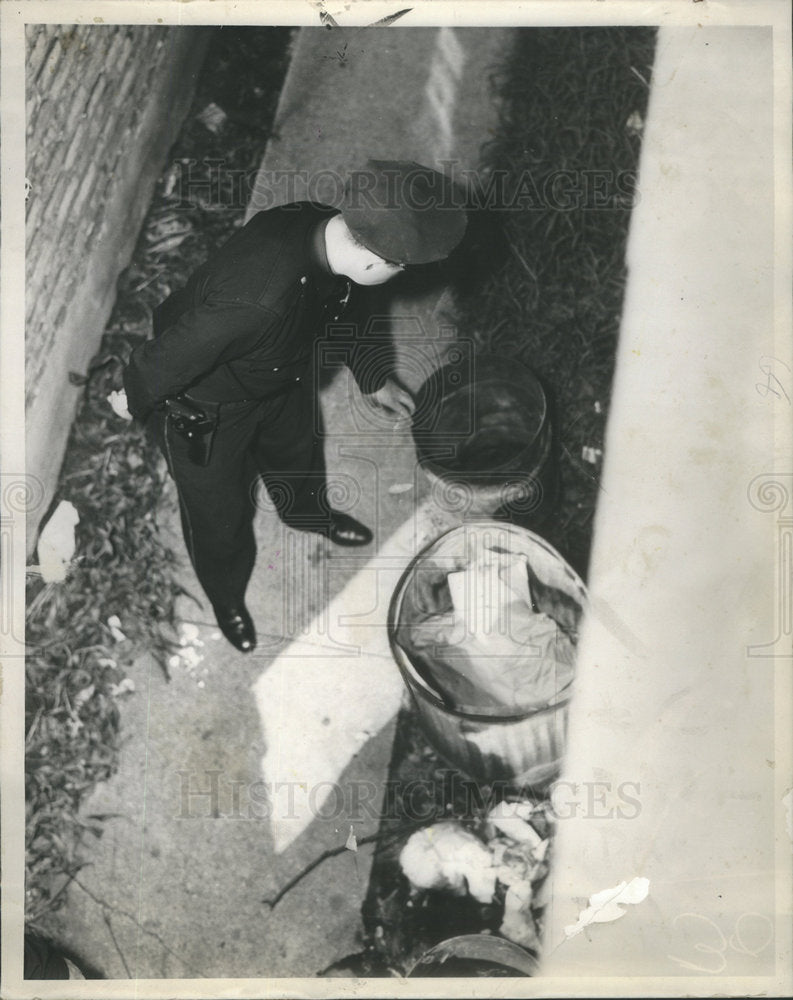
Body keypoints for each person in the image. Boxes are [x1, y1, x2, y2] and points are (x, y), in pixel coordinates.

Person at [116, 159, 467, 653]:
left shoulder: (333, 234)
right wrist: (129, 399)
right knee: (218, 515)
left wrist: (371, 377)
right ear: (374, 261)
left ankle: (307, 514)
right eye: (400, 268)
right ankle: (227, 595)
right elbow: (163, 359)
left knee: (297, 453)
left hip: (280, 380)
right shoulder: (254, 299)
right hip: (206, 410)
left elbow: (349, 310)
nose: (400, 276)